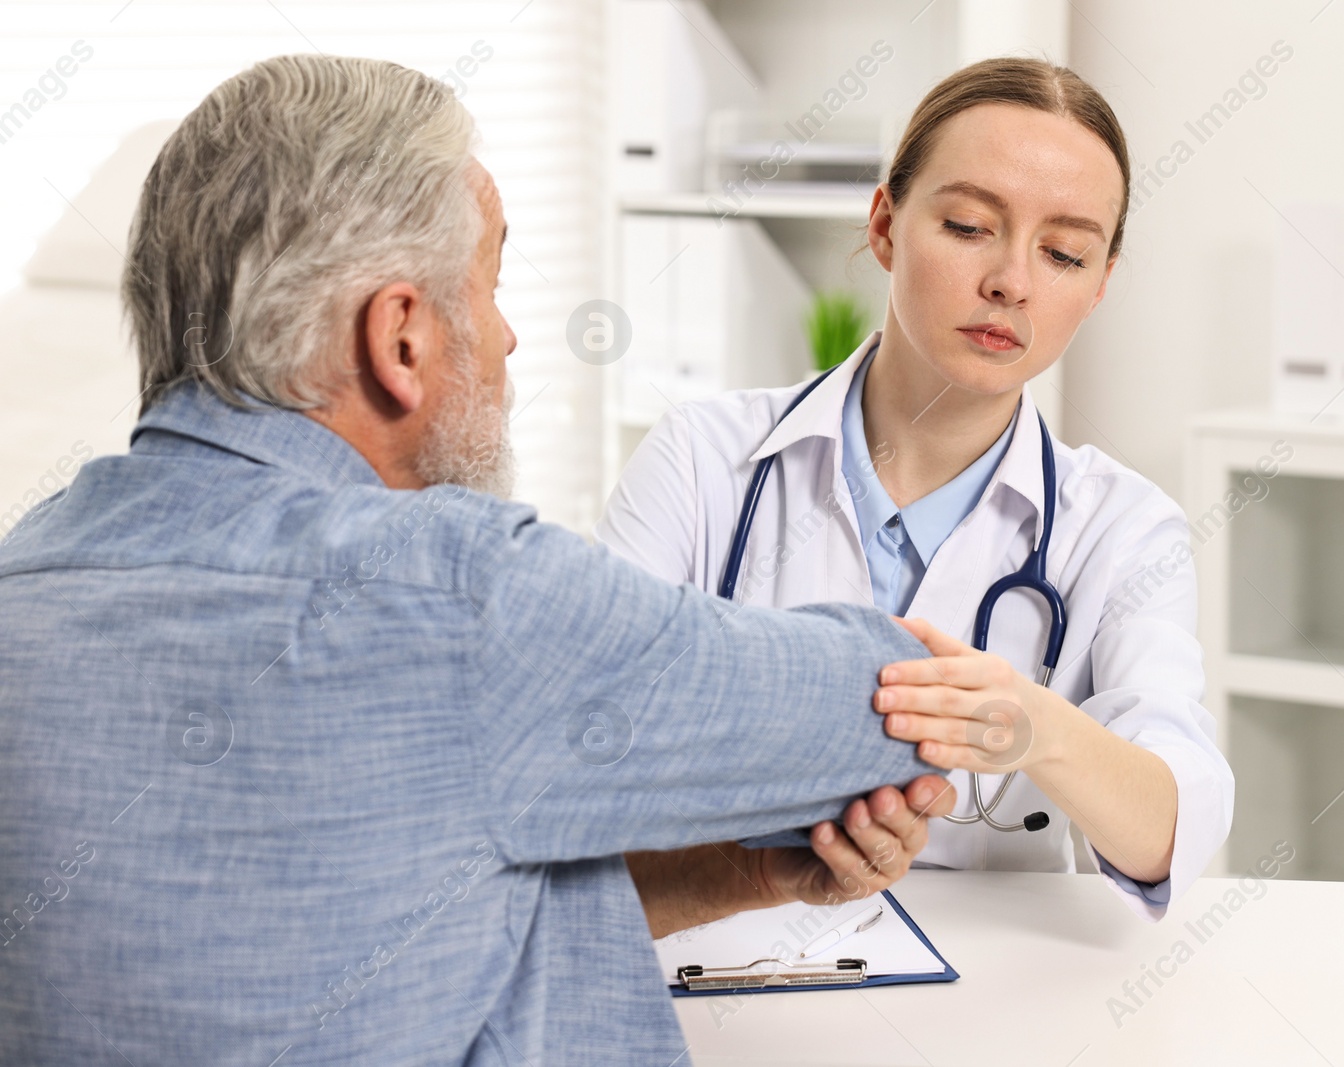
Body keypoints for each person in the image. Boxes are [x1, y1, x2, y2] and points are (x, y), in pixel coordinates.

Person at [0, 55, 958, 1066]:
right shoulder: (462, 594)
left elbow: (378, 937)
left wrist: (746, 873)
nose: (504, 337)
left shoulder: (22, 581)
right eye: (492, 283)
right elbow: (893, 706)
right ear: (400, 339)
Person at [599, 58, 1233, 922]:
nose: (1012, 279)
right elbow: (590, 756)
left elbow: (1169, 829)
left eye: (1063, 252)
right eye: (970, 225)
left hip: (990, 1011)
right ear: (886, 224)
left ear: (1099, 285)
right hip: (721, 954)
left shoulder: (1122, 529)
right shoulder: (703, 465)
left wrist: (1035, 726)